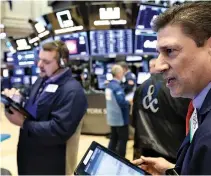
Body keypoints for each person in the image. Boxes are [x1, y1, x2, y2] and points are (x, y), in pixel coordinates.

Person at [132, 1, 211, 175]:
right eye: (159, 53)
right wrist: (173, 170)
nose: (159, 66)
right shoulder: (200, 106)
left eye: (170, 51)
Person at [2, 41, 88, 175]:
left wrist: (23, 123)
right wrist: (15, 100)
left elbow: (58, 131)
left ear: (63, 62)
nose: (39, 65)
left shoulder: (72, 91)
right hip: (29, 156)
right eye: (39, 60)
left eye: (46, 62)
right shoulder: (42, 80)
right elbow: (32, 106)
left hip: (49, 164)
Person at [132, 67, 190, 163]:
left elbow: (135, 119)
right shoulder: (178, 89)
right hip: (173, 153)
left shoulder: (142, 86)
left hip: (145, 148)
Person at [105, 64, 131, 157]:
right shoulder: (116, 87)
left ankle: (108, 156)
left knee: (114, 138)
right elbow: (122, 103)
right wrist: (129, 102)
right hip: (120, 118)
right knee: (122, 140)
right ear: (119, 73)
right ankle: (121, 159)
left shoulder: (109, 85)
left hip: (112, 118)